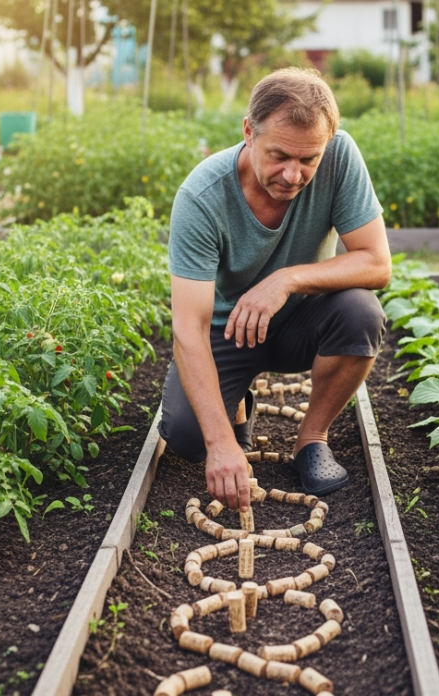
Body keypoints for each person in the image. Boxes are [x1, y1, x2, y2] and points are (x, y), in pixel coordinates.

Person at [161, 67, 391, 514]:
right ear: (249, 132)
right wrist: (220, 442)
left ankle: (312, 440)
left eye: (309, 160)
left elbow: (377, 263)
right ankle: (237, 405)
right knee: (187, 438)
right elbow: (188, 328)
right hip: (228, 331)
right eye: (280, 155)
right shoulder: (202, 197)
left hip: (303, 321)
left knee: (362, 312)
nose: (292, 174)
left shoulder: (341, 156)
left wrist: (284, 280)